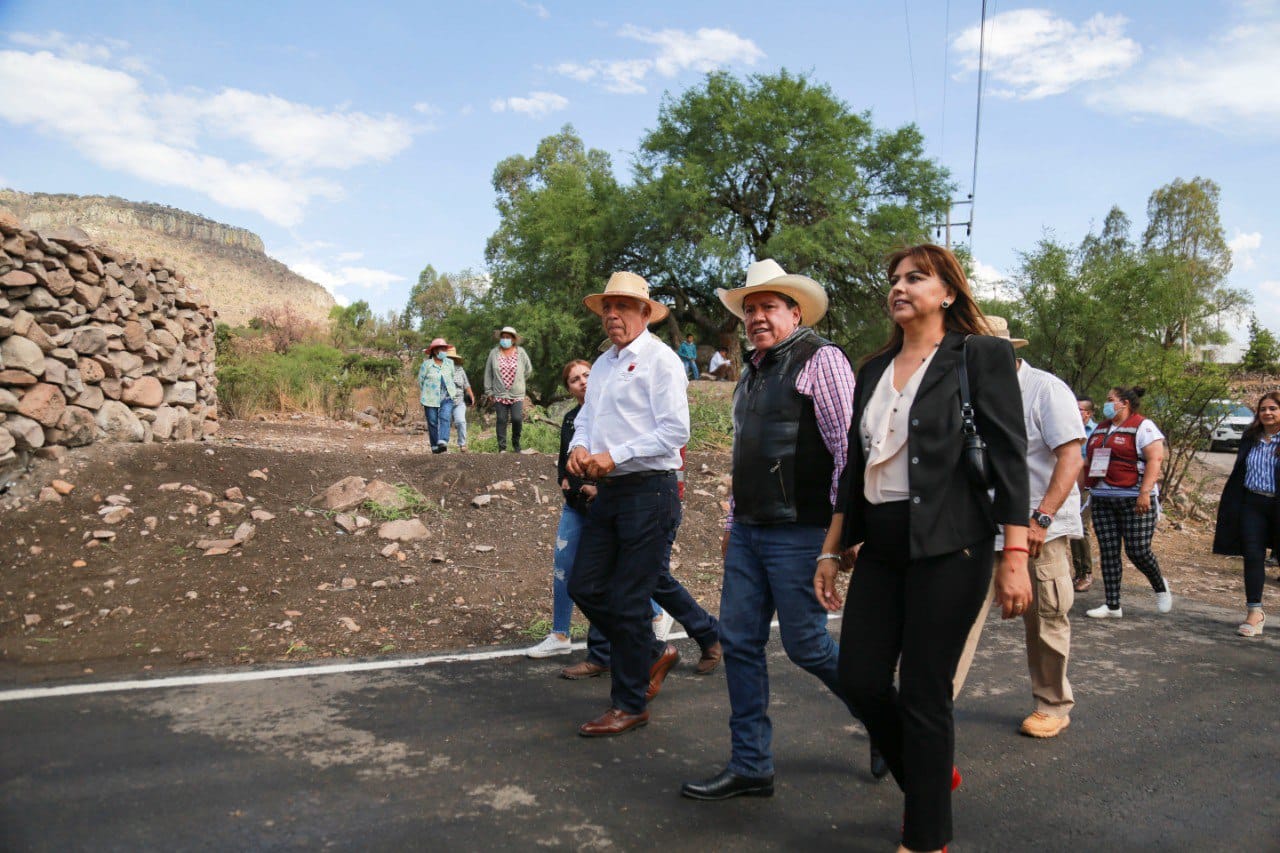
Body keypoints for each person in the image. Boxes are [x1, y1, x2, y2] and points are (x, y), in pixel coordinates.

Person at [813, 244, 1031, 853]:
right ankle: (931, 777)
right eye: (895, 279)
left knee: (924, 693)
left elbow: (1011, 459)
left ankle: (926, 836)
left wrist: (1014, 558)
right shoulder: (873, 367)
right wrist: (833, 549)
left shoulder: (979, 355)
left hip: (953, 548)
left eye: (917, 277)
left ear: (948, 294)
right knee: (859, 679)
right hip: (882, 548)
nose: (900, 287)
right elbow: (853, 465)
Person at [680, 259, 883, 802]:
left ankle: (887, 721)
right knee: (740, 643)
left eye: (769, 306)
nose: (757, 317)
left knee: (808, 647)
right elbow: (745, 455)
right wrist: (730, 521)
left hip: (803, 531)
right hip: (749, 531)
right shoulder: (750, 372)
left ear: (795, 311)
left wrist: (842, 538)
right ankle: (751, 765)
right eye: (749, 309)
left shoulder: (824, 360)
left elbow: (848, 451)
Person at [566, 271, 717, 737]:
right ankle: (652, 654)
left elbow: (675, 432)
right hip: (609, 491)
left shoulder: (662, 360)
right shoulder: (604, 363)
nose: (613, 315)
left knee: (629, 599)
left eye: (624, 307)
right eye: (608, 307)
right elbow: (588, 418)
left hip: (650, 490)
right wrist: (580, 445)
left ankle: (629, 704)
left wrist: (616, 455)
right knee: (585, 587)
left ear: (645, 313)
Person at [951, 317, 1084, 740]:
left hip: (1037, 526)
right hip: (978, 525)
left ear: (1006, 351)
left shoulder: (1045, 389)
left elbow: (1070, 458)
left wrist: (1041, 517)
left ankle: (1052, 704)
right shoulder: (965, 391)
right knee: (954, 618)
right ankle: (931, 707)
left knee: (1046, 616)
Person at [524, 360, 679, 659]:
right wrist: (573, 483)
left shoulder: (614, 414)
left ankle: (656, 617)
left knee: (621, 569)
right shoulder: (572, 419)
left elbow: (623, 457)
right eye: (574, 379)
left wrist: (597, 486)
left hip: (612, 502)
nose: (582, 382)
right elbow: (565, 465)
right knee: (564, 566)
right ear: (568, 388)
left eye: (586, 375)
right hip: (576, 507)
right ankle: (560, 633)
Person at [1082, 385, 1173, 619]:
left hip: (1135, 498)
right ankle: (1112, 605)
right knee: (1108, 551)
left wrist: (1144, 492)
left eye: (1110, 399)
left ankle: (1160, 586)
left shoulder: (1144, 426)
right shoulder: (1100, 429)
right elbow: (1087, 462)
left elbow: (1155, 459)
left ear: (1125, 403)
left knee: (1138, 550)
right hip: (1103, 498)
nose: (1106, 404)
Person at [1212, 391, 1280, 637]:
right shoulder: (1251, 437)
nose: (1267, 413)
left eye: (1273, 408)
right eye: (1263, 409)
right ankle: (1255, 612)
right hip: (1253, 504)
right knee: (1253, 555)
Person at [484, 326, 533, 452]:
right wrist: (489, 391)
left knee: (517, 419)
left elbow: (528, 370)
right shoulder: (493, 353)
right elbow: (488, 373)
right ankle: (502, 448)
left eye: (508, 337)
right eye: (503, 337)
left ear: (513, 339)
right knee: (501, 419)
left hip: (517, 393)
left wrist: (520, 381)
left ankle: (516, 444)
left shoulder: (520, 352)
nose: (505, 339)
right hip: (499, 392)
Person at [1072, 396, 1098, 591]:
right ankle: (1077, 572)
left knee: (1082, 527)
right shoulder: (1069, 428)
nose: (1075, 410)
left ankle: (1086, 573)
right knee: (1071, 528)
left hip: (1087, 487)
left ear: (1088, 413)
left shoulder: (1097, 433)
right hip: (1068, 483)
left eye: (1079, 409)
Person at [417, 337, 458, 454]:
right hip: (430, 397)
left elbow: (452, 377)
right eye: (442, 349)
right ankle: (435, 446)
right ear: (435, 351)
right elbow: (421, 380)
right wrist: (427, 391)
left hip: (447, 396)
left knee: (445, 417)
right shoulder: (427, 364)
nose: (444, 351)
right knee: (432, 422)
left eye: (445, 349)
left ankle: (443, 441)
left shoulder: (450, 363)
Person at [445, 346, 474, 452]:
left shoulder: (460, 369)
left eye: (451, 358)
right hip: (445, 402)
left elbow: (466, 384)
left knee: (461, 421)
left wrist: (471, 395)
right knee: (444, 423)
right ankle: (443, 445)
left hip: (459, 401)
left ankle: (462, 444)